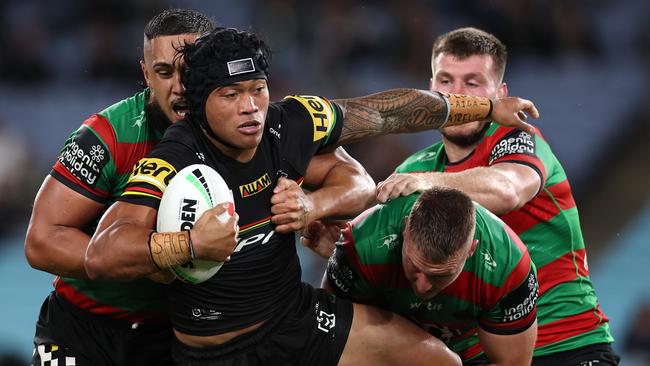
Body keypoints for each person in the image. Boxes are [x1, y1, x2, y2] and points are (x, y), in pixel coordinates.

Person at [84, 27, 539, 365]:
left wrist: (312, 205)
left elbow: (388, 113)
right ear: (201, 102)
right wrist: (190, 246)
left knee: (439, 362)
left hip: (295, 320)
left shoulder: (290, 122)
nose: (251, 107)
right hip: (212, 350)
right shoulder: (175, 157)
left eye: (258, 90)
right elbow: (101, 255)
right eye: (231, 95)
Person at [377, 27, 619, 365]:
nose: (456, 96)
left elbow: (507, 190)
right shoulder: (415, 167)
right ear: (430, 88)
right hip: (475, 356)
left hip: (566, 346)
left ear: (499, 93)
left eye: (472, 83)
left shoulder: (519, 139)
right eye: (445, 81)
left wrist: (427, 183)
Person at [23, 9, 217, 366]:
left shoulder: (241, 126)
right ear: (145, 74)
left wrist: (309, 205)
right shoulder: (107, 135)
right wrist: (142, 257)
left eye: (190, 70)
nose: (180, 86)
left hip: (172, 337)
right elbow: (40, 242)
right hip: (80, 333)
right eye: (164, 72)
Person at [305, 187, 539, 365]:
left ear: (471, 250)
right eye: (415, 267)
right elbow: (330, 333)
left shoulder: (508, 266)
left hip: (467, 353)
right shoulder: (364, 241)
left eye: (441, 275)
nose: (424, 286)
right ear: (405, 229)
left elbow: (511, 363)